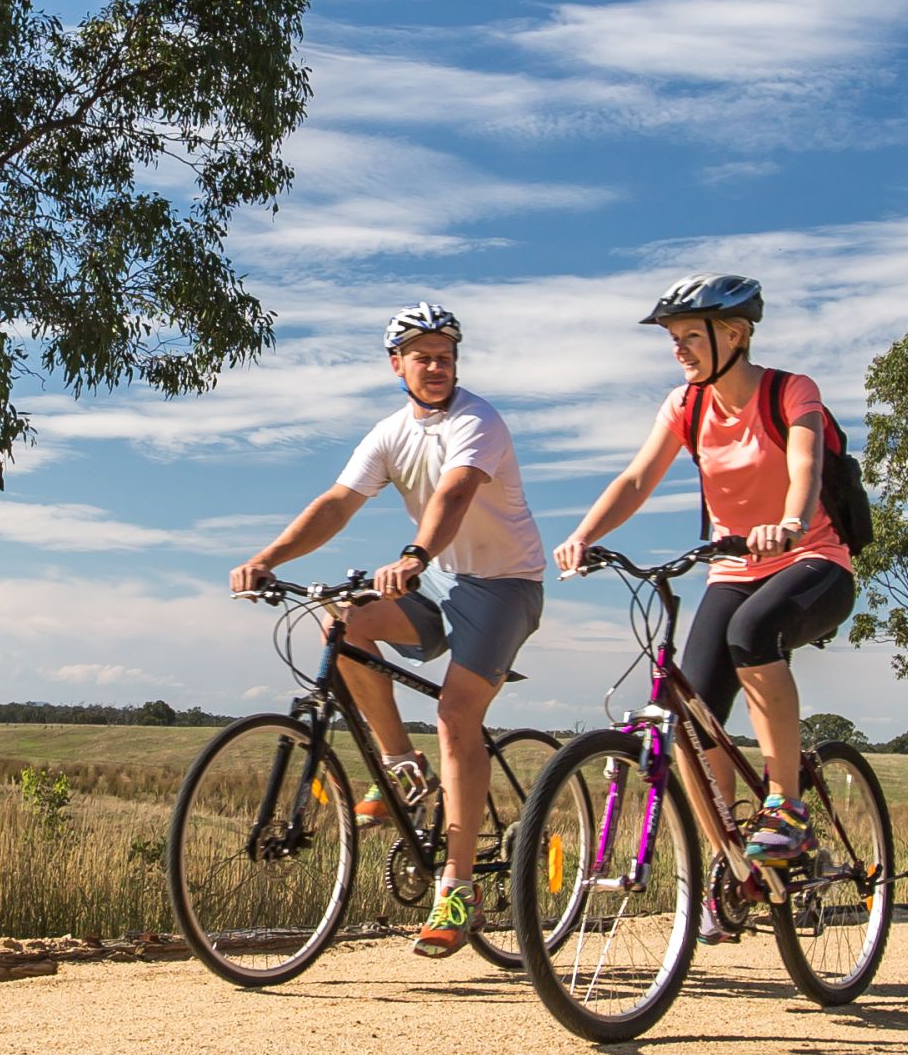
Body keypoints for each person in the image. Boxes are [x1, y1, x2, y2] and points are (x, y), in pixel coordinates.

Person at [230, 300, 547, 956]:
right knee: (343, 624)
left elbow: (455, 494)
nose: (436, 366)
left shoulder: (477, 421)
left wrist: (413, 557)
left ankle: (457, 889)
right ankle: (403, 767)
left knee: (459, 715)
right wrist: (267, 560)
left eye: (446, 355)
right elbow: (336, 504)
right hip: (435, 578)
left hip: (503, 584)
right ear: (395, 363)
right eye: (422, 356)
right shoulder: (386, 435)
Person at [555, 275, 854, 923]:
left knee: (752, 634)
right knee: (688, 723)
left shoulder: (789, 391)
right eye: (674, 338)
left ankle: (786, 807)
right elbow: (637, 478)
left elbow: (805, 466)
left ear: (736, 334)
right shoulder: (685, 407)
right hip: (730, 570)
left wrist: (792, 521)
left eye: (691, 336)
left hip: (812, 562)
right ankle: (733, 866)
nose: (679, 350)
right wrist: (584, 534)